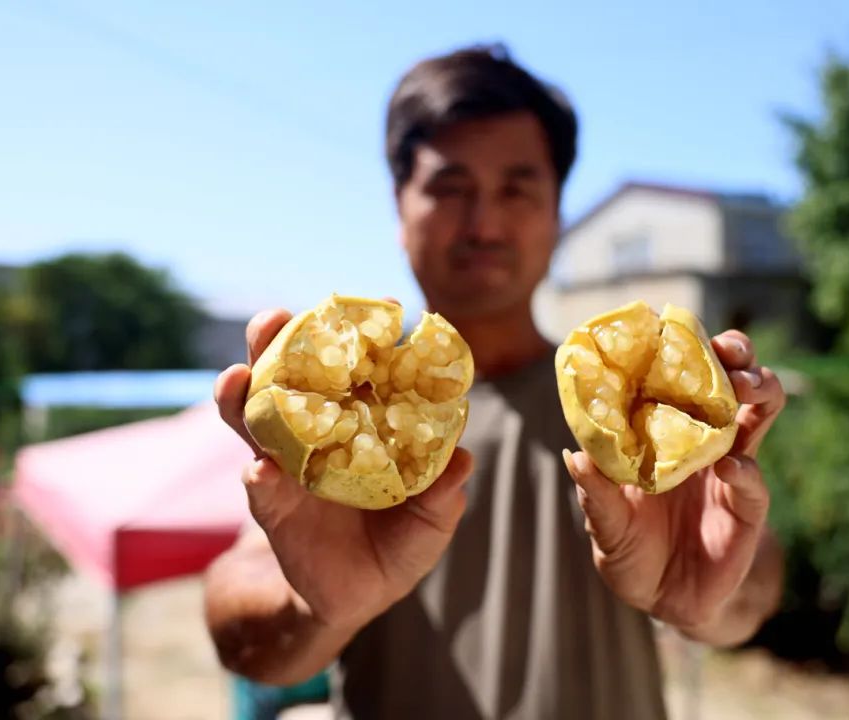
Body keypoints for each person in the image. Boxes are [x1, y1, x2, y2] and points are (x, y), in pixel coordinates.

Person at [205, 44, 787, 720]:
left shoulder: (641, 416)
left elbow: (751, 592)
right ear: (400, 204)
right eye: (451, 188)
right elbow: (241, 628)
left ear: (557, 211)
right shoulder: (318, 424)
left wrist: (710, 590)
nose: (483, 223)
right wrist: (313, 610)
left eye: (516, 188)